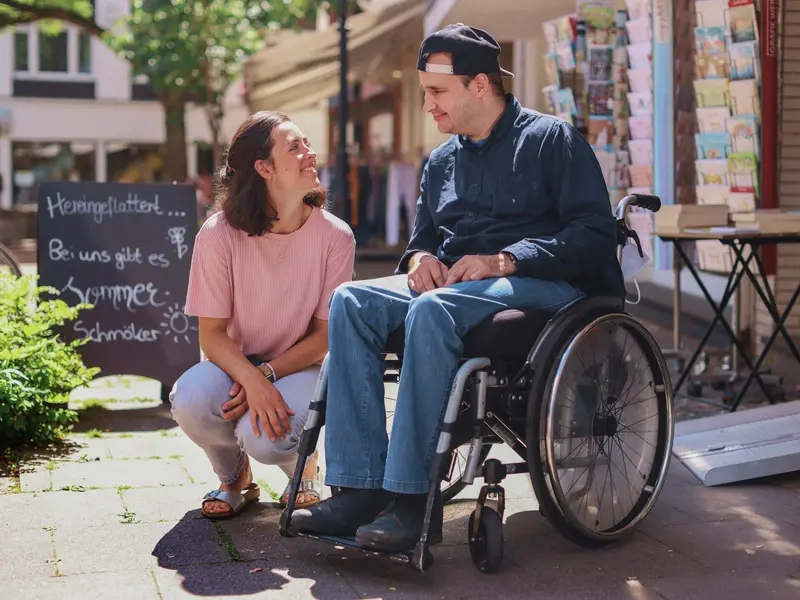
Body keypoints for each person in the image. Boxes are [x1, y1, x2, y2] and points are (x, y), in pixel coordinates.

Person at [290, 24, 625, 551]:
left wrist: (507, 259)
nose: (428, 105)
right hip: (460, 289)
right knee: (351, 300)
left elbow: (593, 233)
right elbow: (421, 242)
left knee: (433, 311)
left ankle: (409, 501)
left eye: (437, 91)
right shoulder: (441, 162)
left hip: (547, 287)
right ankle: (357, 489)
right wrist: (420, 259)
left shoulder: (550, 141)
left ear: (481, 86)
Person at [170, 111, 356, 519]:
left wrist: (267, 376)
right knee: (191, 399)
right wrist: (251, 379)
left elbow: (324, 337)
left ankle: (303, 467)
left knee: (264, 437)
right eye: (296, 147)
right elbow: (212, 335)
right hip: (232, 364)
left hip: (301, 367)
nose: (310, 153)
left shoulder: (335, 237)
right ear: (264, 168)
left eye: (306, 143)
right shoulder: (218, 234)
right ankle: (234, 477)